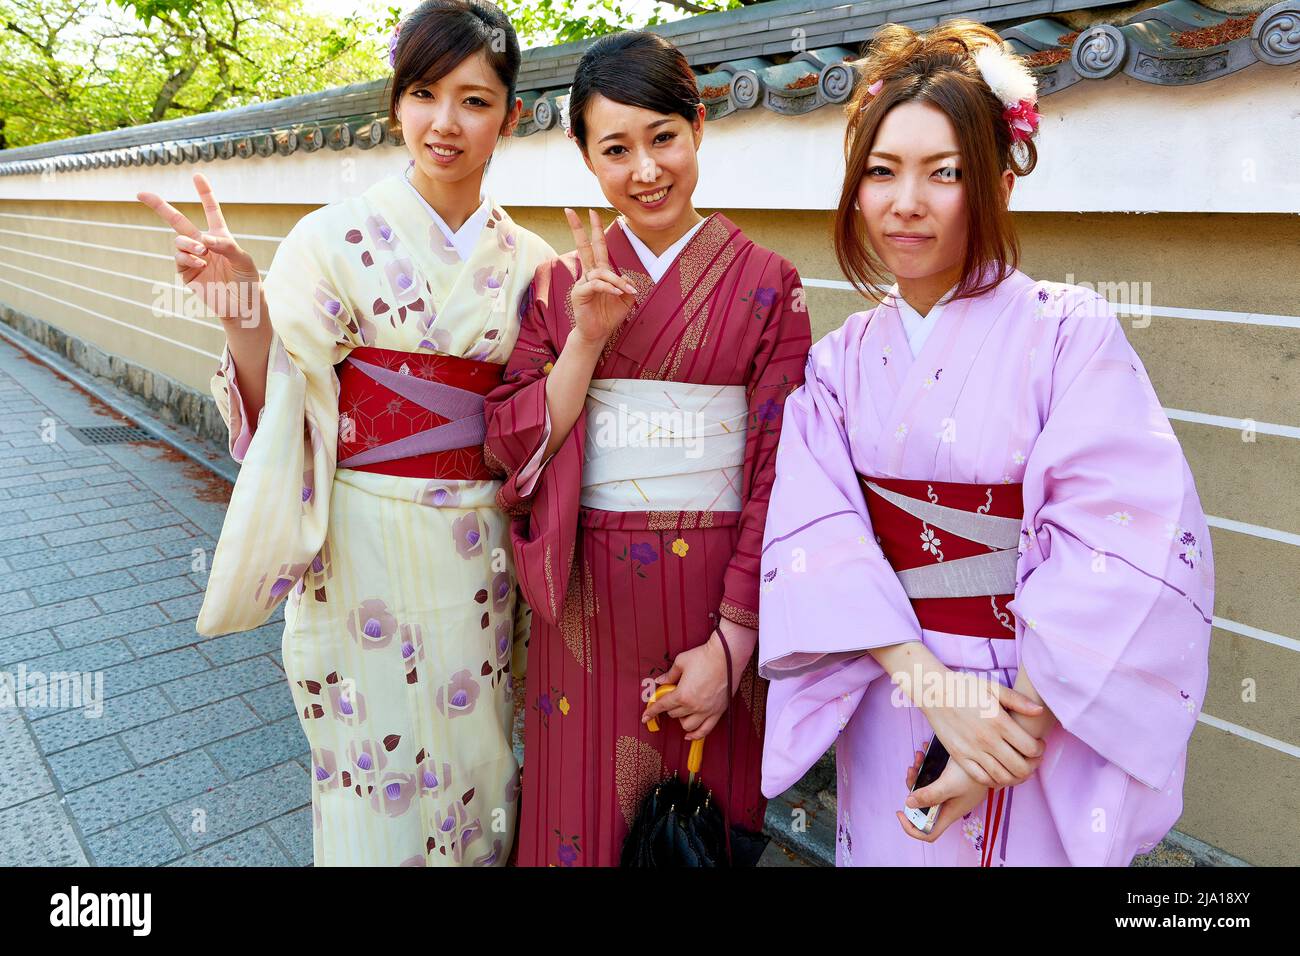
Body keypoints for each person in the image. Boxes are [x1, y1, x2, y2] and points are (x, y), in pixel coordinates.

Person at [756, 19, 1213, 866]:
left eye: (945, 174)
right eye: (882, 173)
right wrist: (932, 691)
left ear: (999, 181)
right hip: (897, 687)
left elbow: (1124, 538)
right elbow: (819, 542)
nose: (906, 202)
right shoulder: (838, 365)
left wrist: (1006, 733)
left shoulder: (1069, 335)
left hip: (1036, 703)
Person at [138, 0, 555, 866]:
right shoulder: (329, 240)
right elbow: (284, 398)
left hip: (481, 553)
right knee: (369, 777)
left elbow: (543, 428)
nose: (446, 123)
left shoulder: (537, 266)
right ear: (395, 102)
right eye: (426, 94)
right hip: (360, 545)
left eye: (476, 100)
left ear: (510, 117)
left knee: (480, 762)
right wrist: (242, 313)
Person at [483, 30, 812, 866]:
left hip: (715, 595)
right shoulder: (559, 286)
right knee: (578, 821)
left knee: (696, 823)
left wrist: (736, 639)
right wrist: (585, 343)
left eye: (663, 137)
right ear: (585, 157)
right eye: (616, 149)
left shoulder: (770, 282)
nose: (646, 170)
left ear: (699, 126)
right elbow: (508, 440)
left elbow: (780, 469)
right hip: (586, 594)